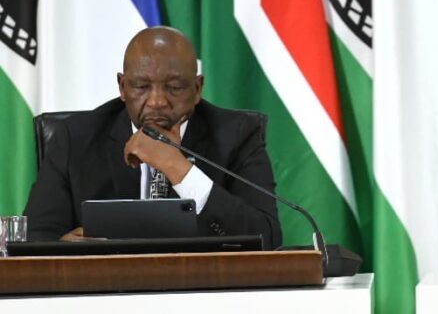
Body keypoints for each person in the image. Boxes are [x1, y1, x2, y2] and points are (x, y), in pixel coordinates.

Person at [24, 26, 282, 247]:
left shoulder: (237, 135)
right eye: (142, 86)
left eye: (174, 87)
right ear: (123, 87)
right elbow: (34, 238)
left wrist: (177, 168)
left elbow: (266, 238)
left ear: (197, 89)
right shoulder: (75, 138)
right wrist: (67, 250)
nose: (157, 102)